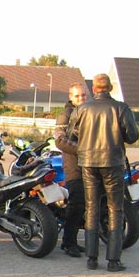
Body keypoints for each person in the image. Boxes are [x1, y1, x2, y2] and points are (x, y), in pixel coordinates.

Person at [68, 74, 139, 272]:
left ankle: (91, 258)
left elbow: (72, 133)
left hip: (88, 162)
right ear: (110, 88)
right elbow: (132, 136)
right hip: (113, 162)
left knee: (91, 207)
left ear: (94, 89)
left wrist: (87, 136)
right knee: (115, 209)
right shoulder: (121, 108)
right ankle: (113, 261)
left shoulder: (82, 109)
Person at [54, 83, 88, 257]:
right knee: (76, 203)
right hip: (73, 163)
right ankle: (68, 243)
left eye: (83, 95)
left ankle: (73, 240)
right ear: (71, 97)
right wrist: (83, 150)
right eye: (77, 96)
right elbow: (59, 140)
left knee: (84, 204)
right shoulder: (66, 115)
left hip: (89, 163)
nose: (81, 98)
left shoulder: (87, 111)